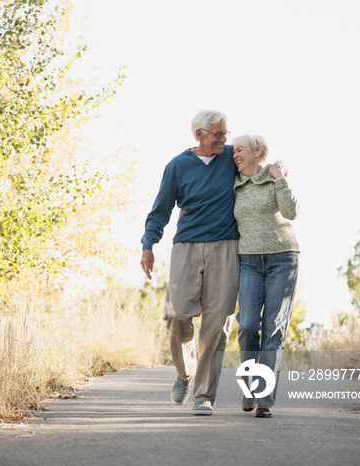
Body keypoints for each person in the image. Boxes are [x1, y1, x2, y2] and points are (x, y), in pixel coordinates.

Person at [140, 110, 239, 416]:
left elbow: (256, 158)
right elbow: (161, 208)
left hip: (225, 246)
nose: (224, 140)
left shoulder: (231, 157)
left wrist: (277, 167)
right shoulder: (178, 165)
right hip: (186, 245)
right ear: (200, 134)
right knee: (177, 314)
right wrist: (148, 244)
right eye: (218, 135)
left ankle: (204, 395)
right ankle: (185, 373)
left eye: (226, 133)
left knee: (217, 322)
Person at [232, 134, 300, 418]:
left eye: (239, 149)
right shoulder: (233, 184)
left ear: (257, 151)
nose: (234, 154)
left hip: (283, 259)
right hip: (248, 261)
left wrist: (281, 178)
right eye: (233, 150)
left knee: (273, 327)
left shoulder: (273, 176)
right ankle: (249, 385)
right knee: (247, 324)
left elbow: (291, 212)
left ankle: (264, 398)